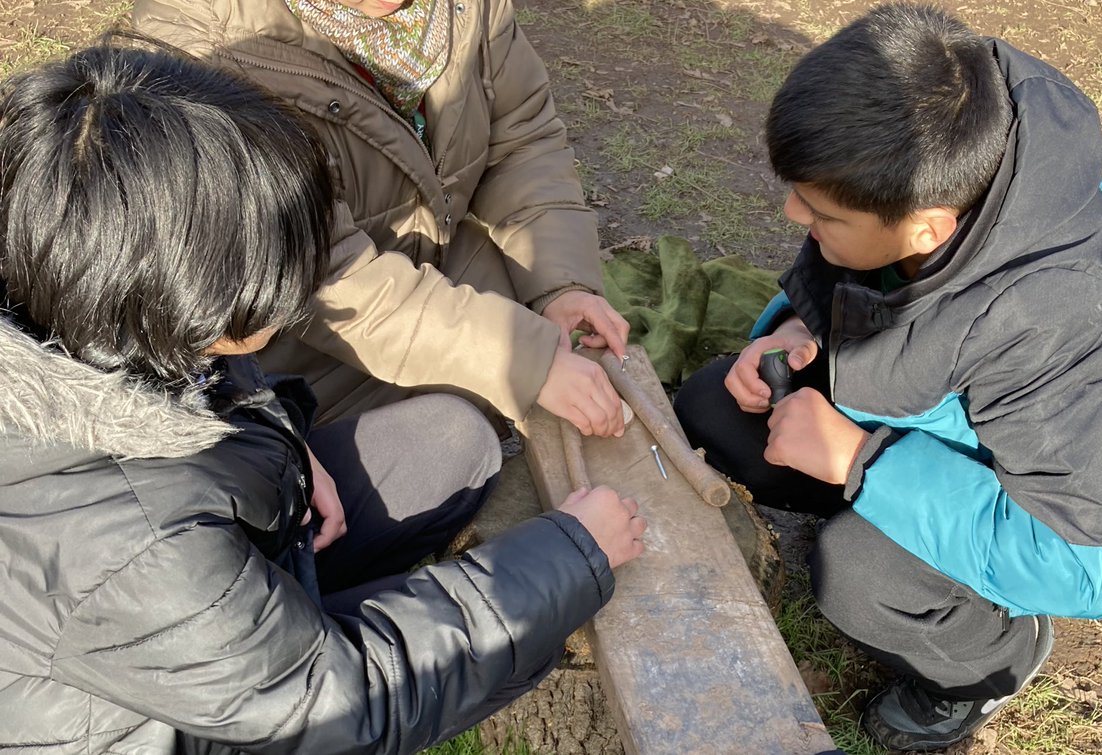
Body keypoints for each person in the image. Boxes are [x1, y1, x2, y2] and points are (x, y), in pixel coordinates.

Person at [0, 39, 646, 754]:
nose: (302, 294)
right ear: (182, 297)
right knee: (515, 637)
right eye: (278, 285)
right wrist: (568, 555)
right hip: (164, 721)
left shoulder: (77, 298)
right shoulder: (134, 545)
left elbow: (201, 375)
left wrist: (285, 444)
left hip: (182, 617)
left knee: (450, 442)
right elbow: (338, 701)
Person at [673, 3, 1102, 751]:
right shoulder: (950, 152)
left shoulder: (1059, 316)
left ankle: (992, 657)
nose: (792, 211)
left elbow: (1071, 545)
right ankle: (902, 517)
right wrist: (802, 330)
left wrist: (862, 461)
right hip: (979, 421)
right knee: (716, 409)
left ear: (928, 226)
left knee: (860, 573)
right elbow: (867, 278)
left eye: (819, 210)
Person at [131, 0, 630, 438]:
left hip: (424, 271)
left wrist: (561, 286)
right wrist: (521, 358)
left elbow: (521, 139)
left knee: (552, 358)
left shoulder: (468, 8)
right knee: (457, 443)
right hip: (286, 351)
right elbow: (319, 269)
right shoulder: (200, 36)